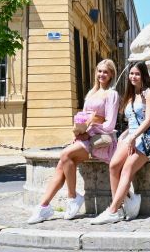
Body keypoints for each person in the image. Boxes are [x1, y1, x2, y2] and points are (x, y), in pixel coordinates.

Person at [26, 59, 120, 224]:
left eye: (106, 72)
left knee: (65, 154)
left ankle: (72, 197)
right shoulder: (91, 93)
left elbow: (110, 124)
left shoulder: (112, 94)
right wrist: (79, 130)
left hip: (98, 140)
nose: (102, 74)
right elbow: (82, 117)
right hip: (84, 137)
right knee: (62, 166)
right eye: (99, 71)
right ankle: (43, 206)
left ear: (111, 74)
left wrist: (91, 125)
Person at [91, 61, 150, 224]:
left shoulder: (149, 93)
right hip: (130, 136)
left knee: (127, 169)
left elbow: (148, 120)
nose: (133, 77)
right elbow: (132, 121)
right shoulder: (130, 95)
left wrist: (134, 137)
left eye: (137, 74)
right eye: (131, 74)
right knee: (113, 166)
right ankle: (119, 207)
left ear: (144, 76)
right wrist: (124, 135)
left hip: (146, 137)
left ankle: (112, 210)